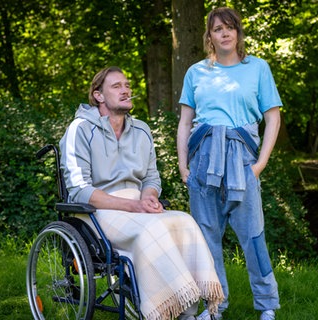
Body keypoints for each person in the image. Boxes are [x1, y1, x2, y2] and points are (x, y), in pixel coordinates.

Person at [59, 66, 224, 320]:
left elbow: (151, 177)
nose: (126, 90)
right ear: (98, 95)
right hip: (96, 211)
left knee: (184, 221)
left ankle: (186, 308)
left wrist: (148, 196)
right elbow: (79, 189)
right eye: (116, 86)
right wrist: (133, 206)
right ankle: (167, 310)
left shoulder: (141, 130)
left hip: (136, 205)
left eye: (127, 85)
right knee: (152, 230)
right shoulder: (79, 129)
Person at [176, 6, 281, 320]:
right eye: (217, 29)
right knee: (206, 239)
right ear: (209, 35)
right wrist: (184, 166)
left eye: (229, 28)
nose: (224, 33)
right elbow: (184, 122)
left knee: (253, 236)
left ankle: (267, 305)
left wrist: (259, 165)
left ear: (238, 32)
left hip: (242, 160)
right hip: (203, 160)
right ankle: (214, 306)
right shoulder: (196, 72)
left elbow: (273, 119)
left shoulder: (258, 68)